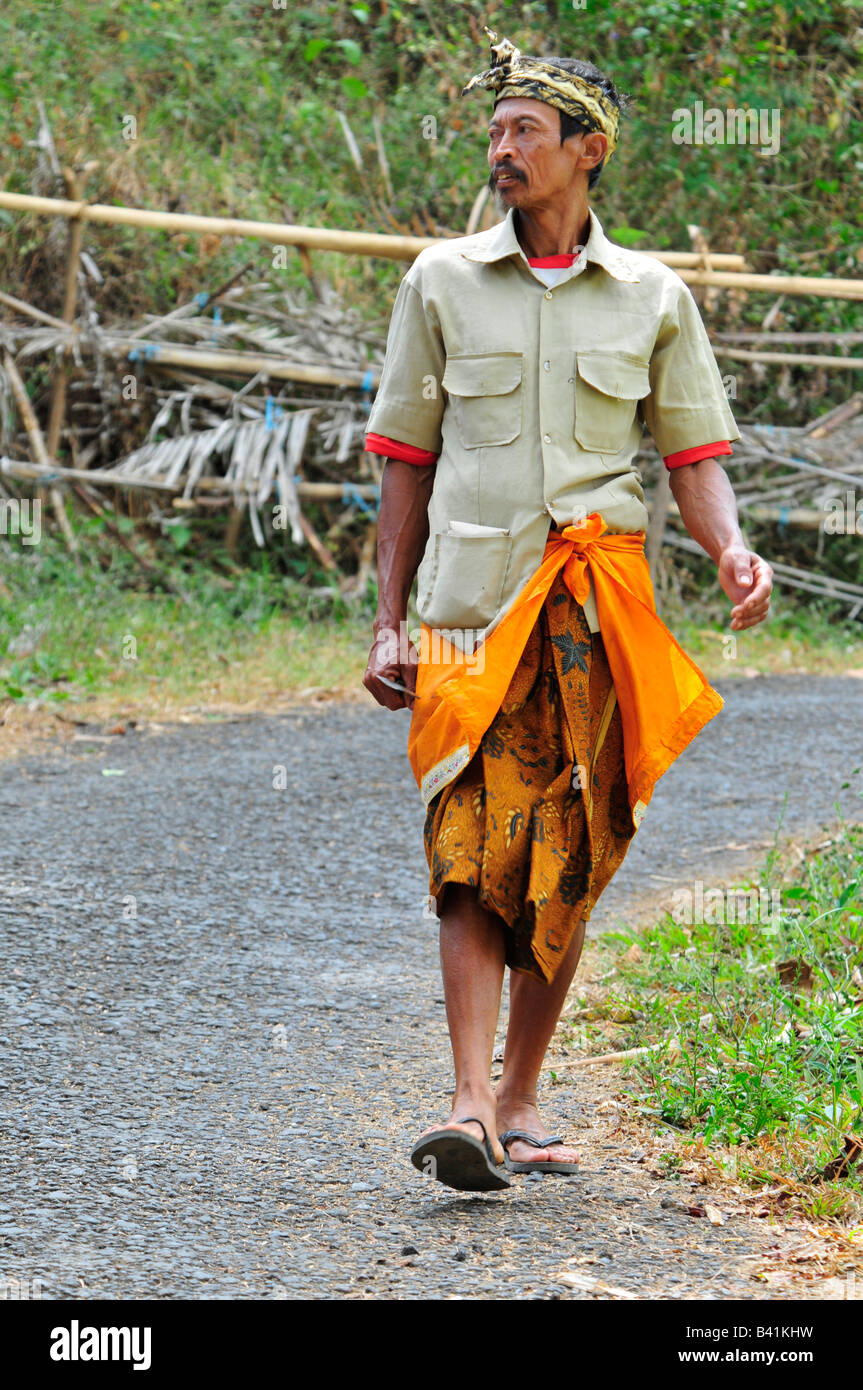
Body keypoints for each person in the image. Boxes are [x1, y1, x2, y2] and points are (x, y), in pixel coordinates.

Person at [363, 29, 773, 1192]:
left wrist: (731, 550)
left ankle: (522, 1097)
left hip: (595, 609)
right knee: (462, 845)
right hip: (460, 609)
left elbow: (692, 453)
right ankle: (462, 1104)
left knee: (569, 854)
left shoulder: (651, 295)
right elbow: (402, 457)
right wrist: (387, 618)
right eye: (493, 131)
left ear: (584, 152)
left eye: (523, 132)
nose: (500, 148)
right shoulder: (437, 280)